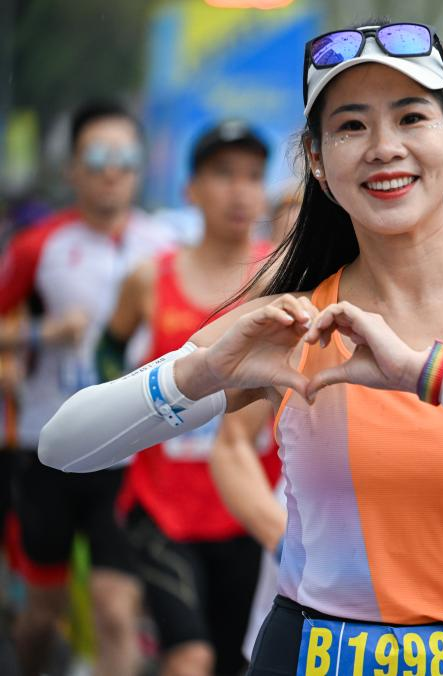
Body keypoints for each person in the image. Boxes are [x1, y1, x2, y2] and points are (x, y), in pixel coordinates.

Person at [37, 21, 443, 675]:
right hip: (310, 654)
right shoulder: (294, 317)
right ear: (318, 161)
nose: (384, 148)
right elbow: (64, 445)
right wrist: (204, 372)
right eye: (351, 126)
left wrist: (428, 375)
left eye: (411, 117)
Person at [0, 100, 175, 676]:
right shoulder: (36, 247)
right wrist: (42, 332)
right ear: (72, 168)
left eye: (125, 157)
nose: (111, 170)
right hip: (46, 450)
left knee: (117, 611)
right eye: (97, 156)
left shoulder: (164, 246)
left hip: (130, 452)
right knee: (41, 616)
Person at [101, 120, 281, 674]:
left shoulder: (284, 275)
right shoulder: (149, 280)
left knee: (233, 661)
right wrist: (126, 422)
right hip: (162, 509)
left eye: (253, 176)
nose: (240, 191)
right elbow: (107, 355)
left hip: (250, 509)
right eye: (224, 174)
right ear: (191, 190)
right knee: (189, 656)